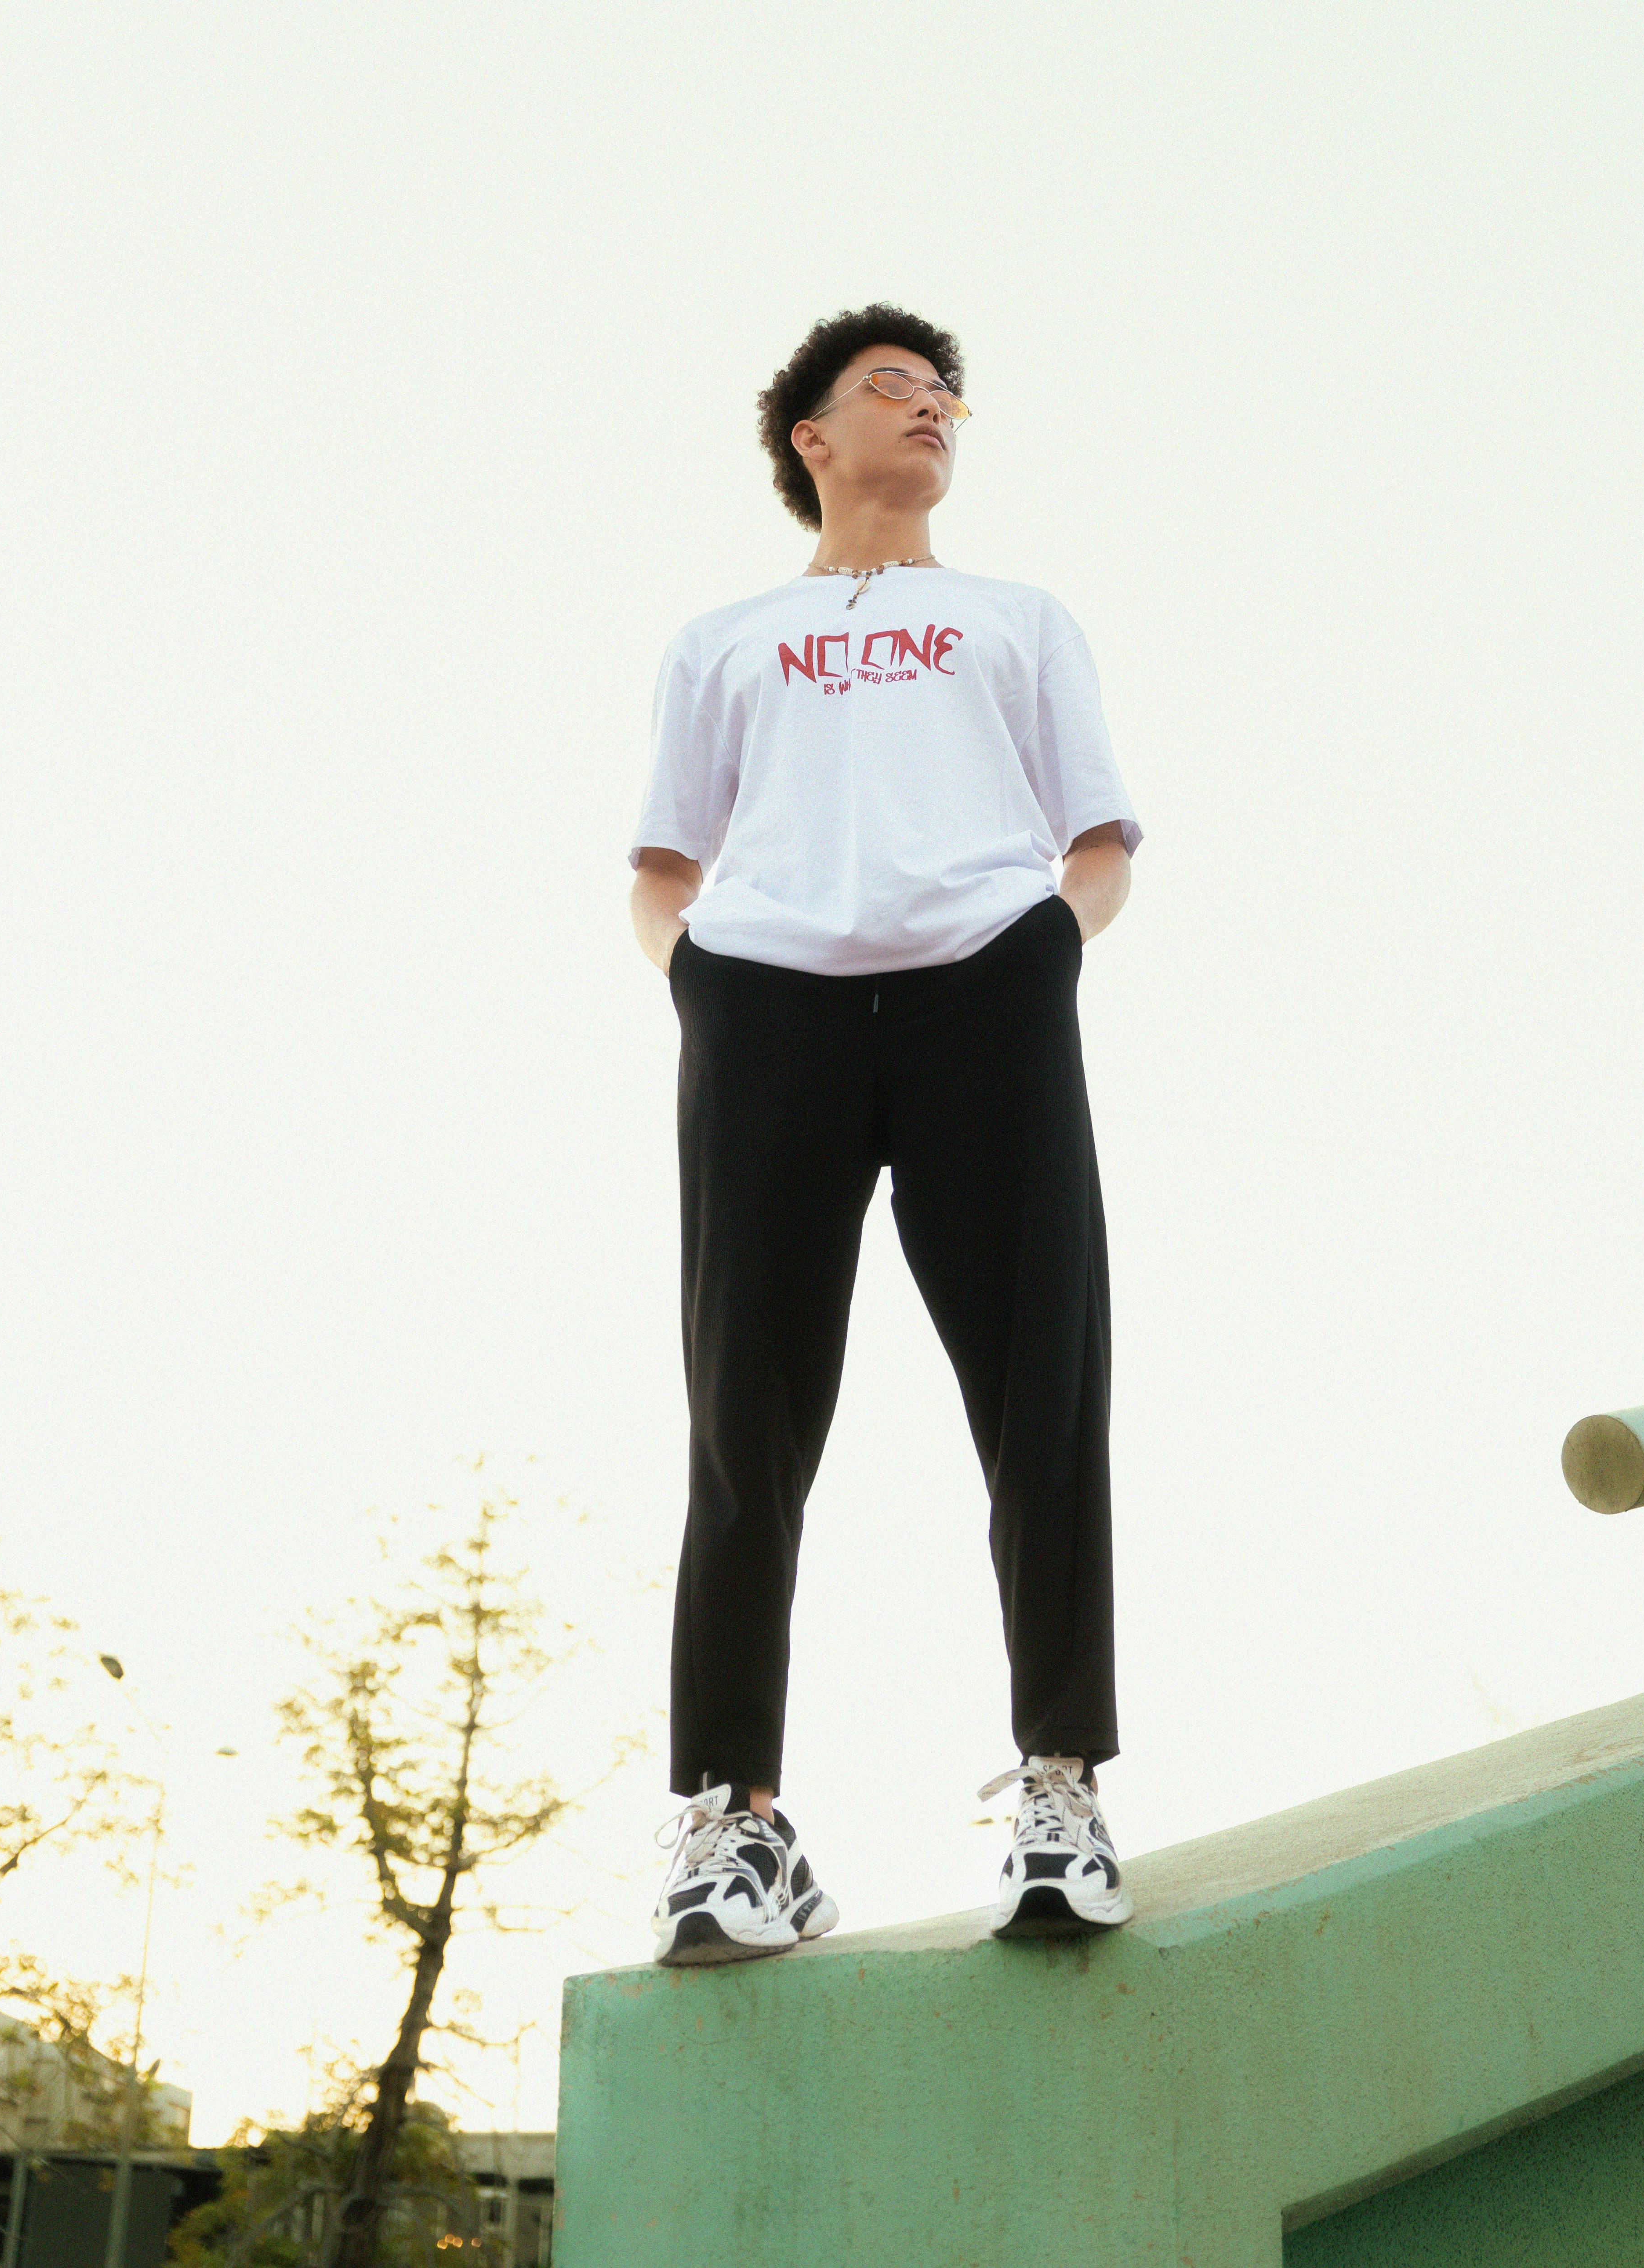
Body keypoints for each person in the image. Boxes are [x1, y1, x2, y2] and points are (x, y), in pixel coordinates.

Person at [628, 304, 1142, 1966]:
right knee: (744, 1416)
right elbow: (661, 864)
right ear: (814, 439)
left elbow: (1101, 835)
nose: (930, 411)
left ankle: (1060, 1791)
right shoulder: (720, 639)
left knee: (1042, 1388)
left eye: (946, 396)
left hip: (985, 990)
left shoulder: (1019, 615)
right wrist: (696, 978)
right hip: (762, 1007)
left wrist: (1049, 945)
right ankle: (732, 1823)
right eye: (892, 389)